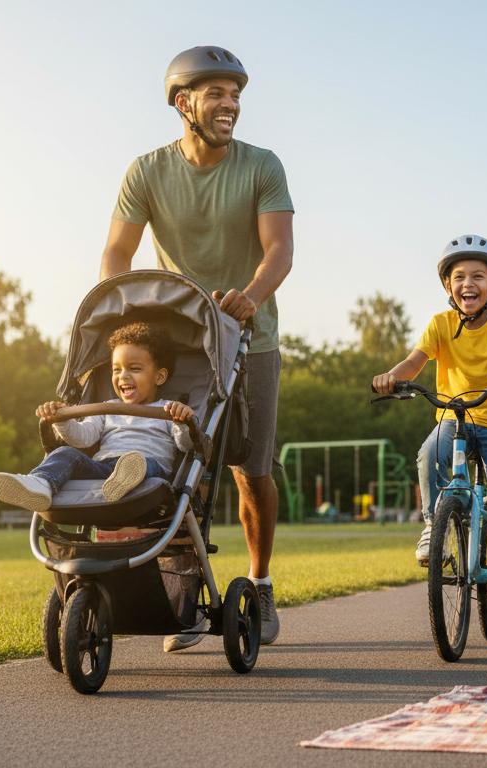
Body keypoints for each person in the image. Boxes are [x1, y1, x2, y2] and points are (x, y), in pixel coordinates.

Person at [99, 46, 295, 650]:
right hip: (183, 341)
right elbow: (116, 255)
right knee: (186, 466)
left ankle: (259, 583)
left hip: (250, 339)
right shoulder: (147, 171)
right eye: (216, 94)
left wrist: (253, 295)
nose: (230, 105)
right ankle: (183, 595)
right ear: (183, 103)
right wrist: (119, 311)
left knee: (250, 471)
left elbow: (279, 250)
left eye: (236, 95)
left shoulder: (261, 166)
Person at [371, 235, 487, 612]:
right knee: (427, 453)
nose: (469, 284)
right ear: (448, 286)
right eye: (460, 277)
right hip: (454, 418)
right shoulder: (440, 324)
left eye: (479, 276)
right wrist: (391, 376)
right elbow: (414, 363)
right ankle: (435, 523)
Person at [0, 322, 194, 511]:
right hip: (105, 470)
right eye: (117, 370)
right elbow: (82, 438)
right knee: (66, 453)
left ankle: (128, 477)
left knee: (140, 462)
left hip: (151, 469)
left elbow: (185, 445)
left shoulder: (168, 409)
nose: (123, 376)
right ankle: (41, 483)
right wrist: (63, 420)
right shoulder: (108, 408)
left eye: (134, 369)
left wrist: (183, 423)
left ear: (159, 376)